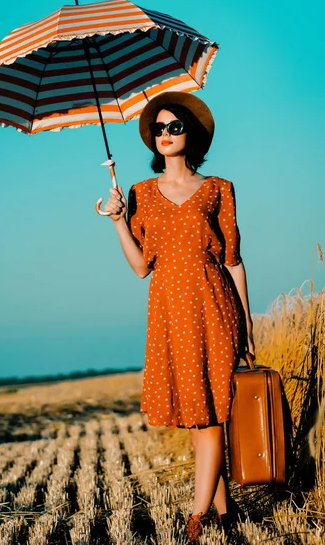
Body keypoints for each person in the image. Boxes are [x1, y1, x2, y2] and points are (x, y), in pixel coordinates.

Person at [104, 91, 255, 543]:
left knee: (210, 416)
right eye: (159, 128)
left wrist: (247, 324)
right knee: (196, 414)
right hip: (169, 309)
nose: (166, 134)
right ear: (151, 139)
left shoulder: (218, 189)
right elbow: (139, 266)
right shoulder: (140, 194)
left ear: (192, 135)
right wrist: (116, 219)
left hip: (214, 304)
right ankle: (225, 514)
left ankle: (198, 517)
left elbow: (233, 260)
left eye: (175, 126)